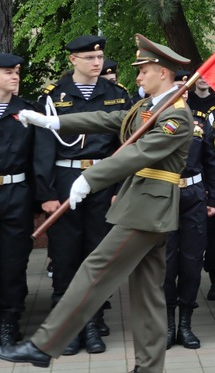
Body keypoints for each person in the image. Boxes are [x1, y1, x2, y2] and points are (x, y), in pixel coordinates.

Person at [0, 33, 193, 372]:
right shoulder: (151, 107)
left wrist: (91, 178)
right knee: (148, 295)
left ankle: (45, 345)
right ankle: (149, 368)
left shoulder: (176, 117)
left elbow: (140, 153)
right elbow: (108, 120)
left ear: (163, 72)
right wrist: (53, 121)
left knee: (95, 269)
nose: (137, 77)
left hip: (147, 211)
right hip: (144, 208)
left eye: (143, 70)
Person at [37, 35, 131, 354]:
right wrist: (47, 194)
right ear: (73, 61)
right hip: (66, 178)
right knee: (65, 256)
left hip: (103, 180)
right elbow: (43, 150)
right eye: (89, 58)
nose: (97, 62)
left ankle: (91, 324)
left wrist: (120, 188)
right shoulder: (53, 98)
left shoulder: (117, 96)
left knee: (96, 255)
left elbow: (127, 147)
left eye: (100, 57)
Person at [164, 71, 215, 349]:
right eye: (177, 87)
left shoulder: (200, 123)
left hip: (194, 196)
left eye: (184, 88)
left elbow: (213, 160)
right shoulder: (154, 121)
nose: (182, 92)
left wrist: (214, 199)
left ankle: (185, 325)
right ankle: (167, 325)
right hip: (164, 196)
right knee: (166, 264)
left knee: (191, 263)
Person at [0, 53, 49, 346]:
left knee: (13, 262)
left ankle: (10, 323)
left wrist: (41, 199)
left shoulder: (28, 112)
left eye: (17, 72)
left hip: (15, 194)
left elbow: (39, 160)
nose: (15, 76)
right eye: (8, 72)